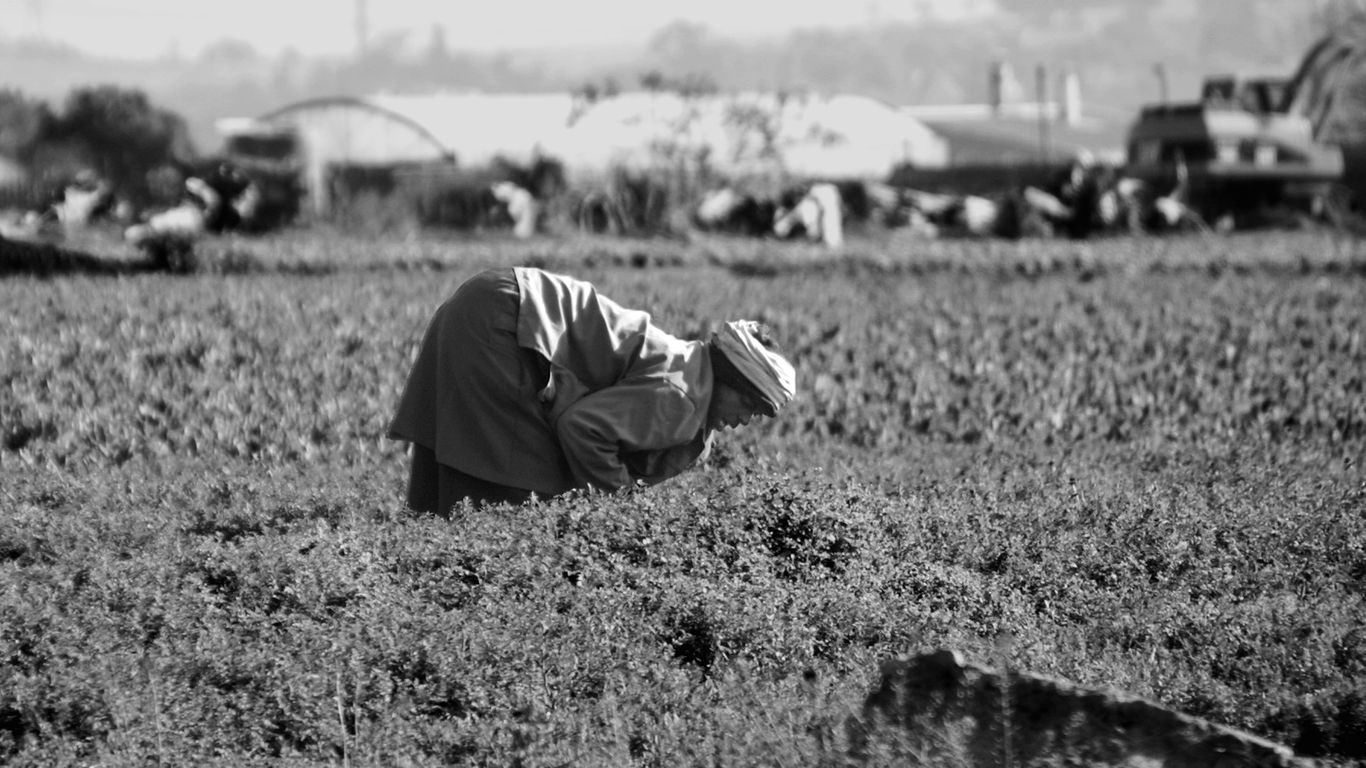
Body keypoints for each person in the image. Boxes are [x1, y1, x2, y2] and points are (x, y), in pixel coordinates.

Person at [387, 266, 797, 514]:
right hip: (503, 322)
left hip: (487, 299)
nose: (745, 419)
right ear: (728, 378)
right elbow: (581, 428)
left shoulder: (688, 367)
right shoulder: (683, 397)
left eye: (756, 415)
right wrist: (620, 506)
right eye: (748, 402)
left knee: (441, 491)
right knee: (505, 494)